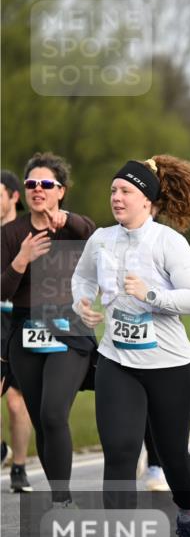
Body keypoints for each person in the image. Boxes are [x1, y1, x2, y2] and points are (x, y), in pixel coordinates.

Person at [72, 155, 190, 537]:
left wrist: (151, 296)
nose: (116, 198)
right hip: (117, 361)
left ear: (148, 201)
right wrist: (81, 303)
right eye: (113, 190)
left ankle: (188, 512)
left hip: (170, 367)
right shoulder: (100, 239)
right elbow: (81, 278)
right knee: (118, 450)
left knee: (173, 457)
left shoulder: (168, 242)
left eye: (126, 192)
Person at [1, 153, 96, 507]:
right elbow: (2, 292)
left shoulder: (74, 227)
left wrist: (67, 219)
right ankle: (59, 496)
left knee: (55, 411)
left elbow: (94, 234)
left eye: (45, 184)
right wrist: (21, 259)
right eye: (30, 184)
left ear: (61, 191)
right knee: (42, 419)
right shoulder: (10, 234)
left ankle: (62, 501)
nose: (37, 190)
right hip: (25, 330)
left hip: (68, 329)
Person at [1, 170, 33, 492]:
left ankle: (19, 467)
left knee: (15, 402)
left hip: (19, 320)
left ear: (13, 197)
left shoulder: (25, 231)